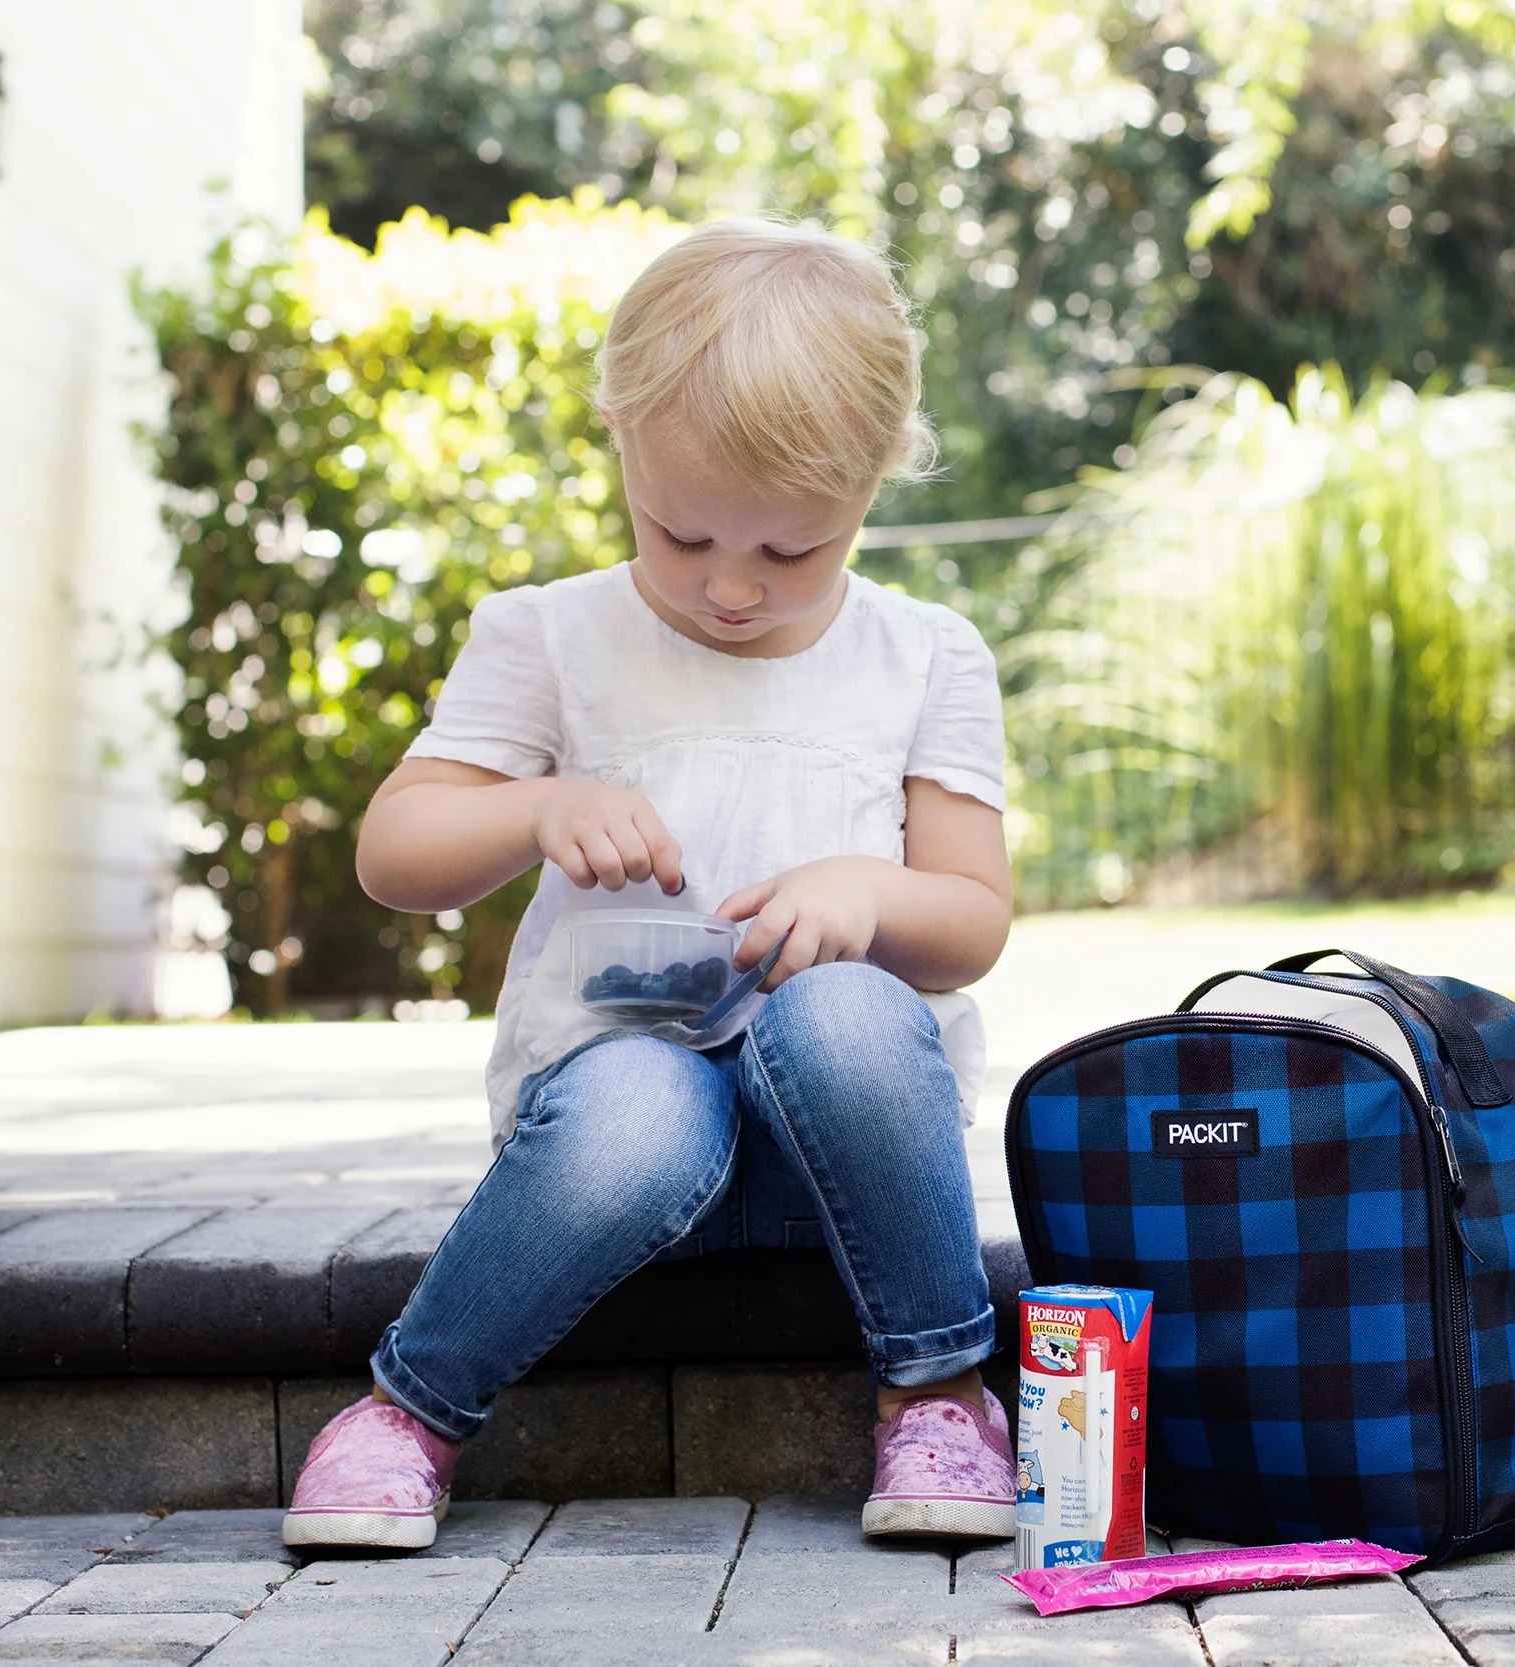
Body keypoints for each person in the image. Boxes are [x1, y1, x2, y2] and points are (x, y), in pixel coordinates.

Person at [279, 219, 1016, 1551]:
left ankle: (941, 1388)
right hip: (617, 1146)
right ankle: (410, 1409)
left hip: (839, 1153)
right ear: (621, 439)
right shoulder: (551, 635)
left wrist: (871, 890)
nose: (731, 588)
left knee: (842, 1013)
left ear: (875, 480)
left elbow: (972, 921)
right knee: (642, 1096)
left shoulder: (925, 656)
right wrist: (535, 804)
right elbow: (396, 852)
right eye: (682, 535)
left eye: (790, 553)